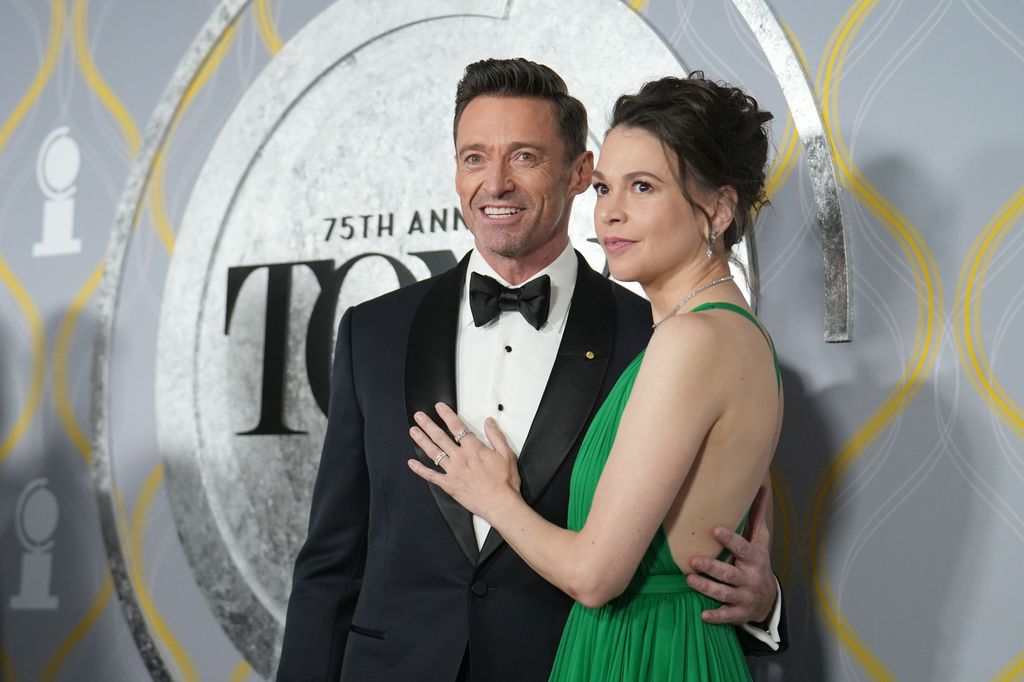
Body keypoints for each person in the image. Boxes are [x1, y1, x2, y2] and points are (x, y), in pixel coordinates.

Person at [277, 59, 784, 682]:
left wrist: (764, 605)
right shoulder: (373, 332)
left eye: (523, 157)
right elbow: (331, 557)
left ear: (576, 172)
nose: (496, 183)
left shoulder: (649, 335)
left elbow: (713, 535)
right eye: (473, 158)